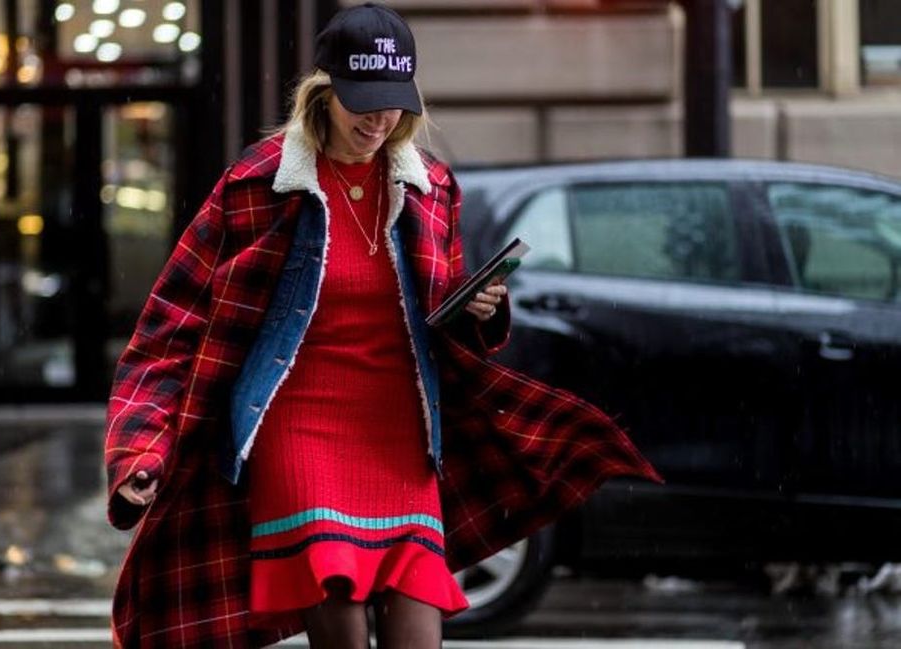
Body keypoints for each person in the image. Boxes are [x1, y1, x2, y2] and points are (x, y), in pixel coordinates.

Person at [104, 3, 660, 648]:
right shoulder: (258, 184)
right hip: (298, 427)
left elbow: (444, 316)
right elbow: (171, 325)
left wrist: (479, 310)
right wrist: (140, 447)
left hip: (402, 429)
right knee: (339, 619)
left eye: (393, 104)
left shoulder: (430, 187)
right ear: (324, 91)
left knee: (418, 628)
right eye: (362, 102)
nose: (378, 120)